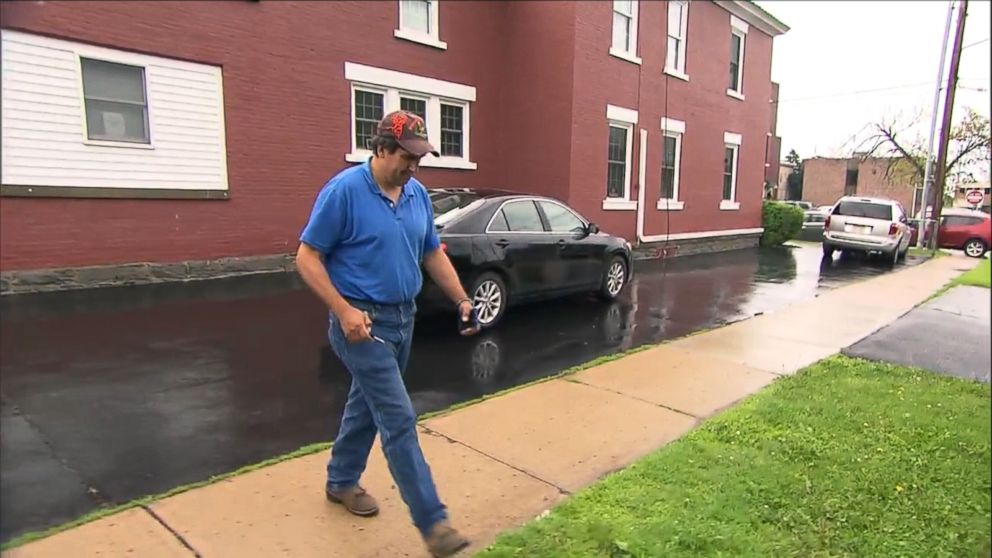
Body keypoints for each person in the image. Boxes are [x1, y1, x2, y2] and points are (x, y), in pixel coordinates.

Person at [295, 110, 478, 558]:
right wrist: (343, 310)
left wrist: (461, 299)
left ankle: (340, 481)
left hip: (404, 319)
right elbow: (307, 257)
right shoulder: (344, 192)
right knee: (397, 418)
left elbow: (431, 253)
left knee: (366, 405)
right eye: (406, 156)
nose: (413, 166)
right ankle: (434, 525)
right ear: (379, 149)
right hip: (363, 325)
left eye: (420, 158)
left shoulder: (416, 194)